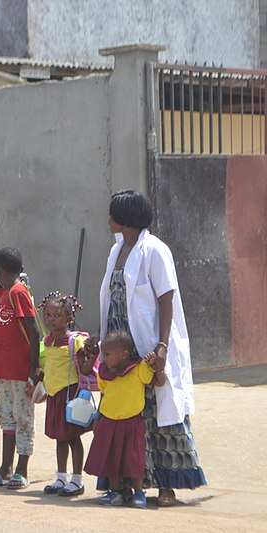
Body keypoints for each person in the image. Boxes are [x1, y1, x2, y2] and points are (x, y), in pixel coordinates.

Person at [97, 188, 206, 506]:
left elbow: (166, 299)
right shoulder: (116, 251)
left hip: (146, 349)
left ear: (125, 218)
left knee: (158, 416)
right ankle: (129, 485)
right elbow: (110, 300)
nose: (109, 220)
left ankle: (166, 487)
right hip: (120, 353)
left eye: (113, 214)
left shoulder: (155, 250)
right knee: (126, 420)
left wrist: (161, 346)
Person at [83, 331, 165, 508]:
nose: (103, 359)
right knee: (112, 458)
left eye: (107, 355)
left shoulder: (138, 369)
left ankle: (139, 492)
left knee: (134, 459)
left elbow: (158, 382)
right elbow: (104, 394)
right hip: (109, 422)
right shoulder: (104, 372)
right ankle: (115, 492)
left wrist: (156, 366)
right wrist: (98, 416)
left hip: (131, 422)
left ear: (124, 354)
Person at [0, 247, 40, 490]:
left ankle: (21, 469)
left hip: (20, 371)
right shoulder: (5, 294)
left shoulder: (18, 293)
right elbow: (1, 333)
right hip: (4, 372)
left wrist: (34, 369)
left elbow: (34, 331)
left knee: (23, 418)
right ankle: (5, 467)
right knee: (6, 417)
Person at [38, 291, 92, 497]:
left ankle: (77, 480)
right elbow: (48, 366)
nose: (51, 319)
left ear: (70, 318)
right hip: (54, 396)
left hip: (69, 396)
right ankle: (61, 476)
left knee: (73, 438)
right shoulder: (48, 341)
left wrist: (92, 353)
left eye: (57, 315)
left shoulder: (74, 341)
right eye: (47, 315)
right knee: (60, 438)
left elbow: (84, 369)